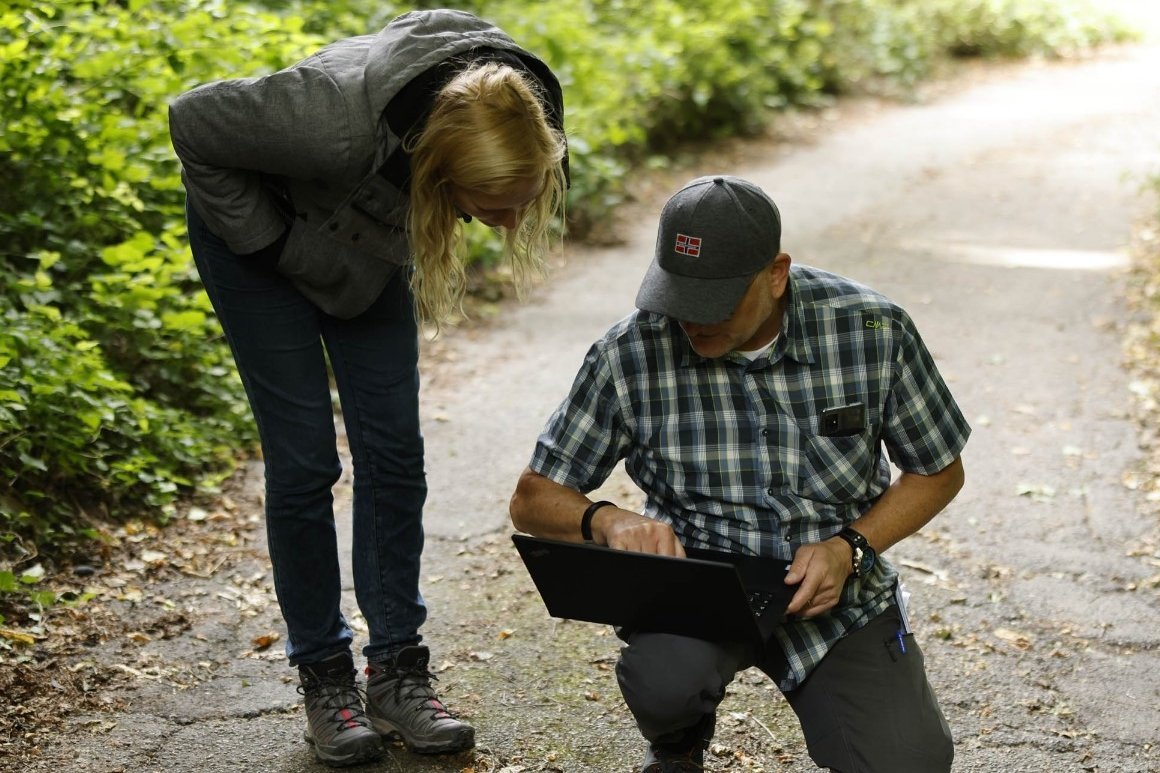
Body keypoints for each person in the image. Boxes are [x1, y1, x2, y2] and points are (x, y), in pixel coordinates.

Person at [169, 9, 568, 768]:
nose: (508, 220)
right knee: (305, 460)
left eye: (521, 197)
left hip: (366, 241)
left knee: (393, 450)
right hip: (259, 246)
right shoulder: (330, 126)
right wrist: (274, 243)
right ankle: (325, 677)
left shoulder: (520, 117)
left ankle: (397, 672)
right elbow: (192, 120)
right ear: (443, 164)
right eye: (493, 202)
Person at [509, 175, 967, 772]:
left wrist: (850, 547)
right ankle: (678, 741)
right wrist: (606, 520)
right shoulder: (630, 352)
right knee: (662, 682)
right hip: (696, 584)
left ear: (775, 274)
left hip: (838, 588)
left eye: (715, 302)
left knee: (906, 763)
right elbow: (532, 498)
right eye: (678, 299)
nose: (693, 323)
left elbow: (938, 471)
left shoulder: (872, 329)